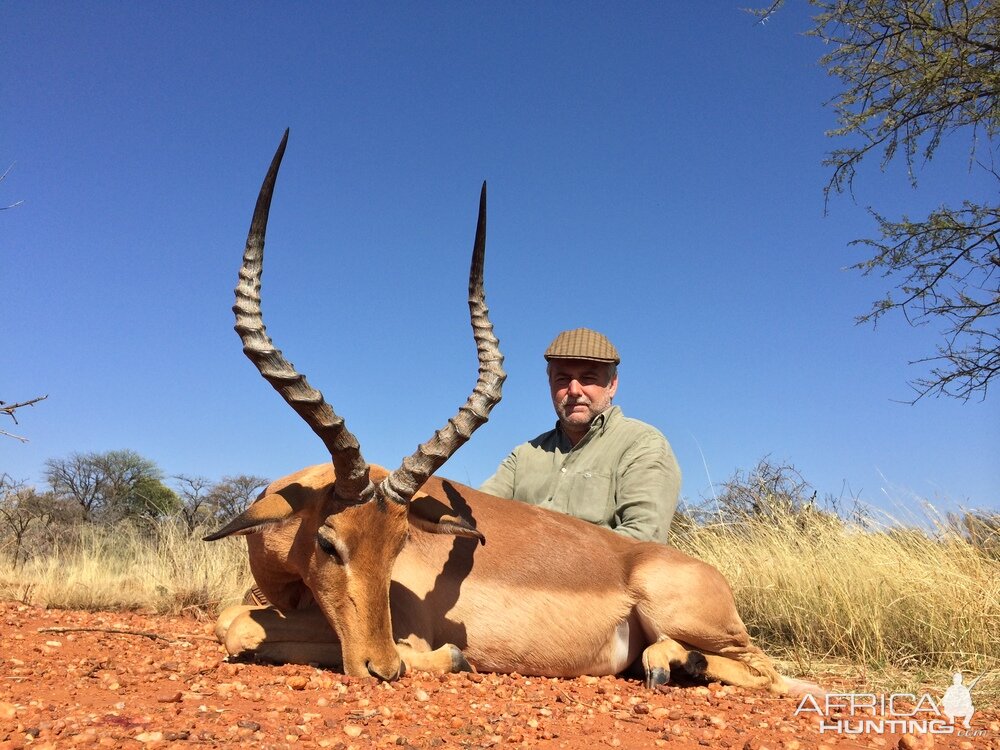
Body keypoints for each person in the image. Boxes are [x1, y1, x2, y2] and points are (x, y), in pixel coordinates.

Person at [480, 327, 680, 542]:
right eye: (563, 379)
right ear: (550, 385)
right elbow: (478, 512)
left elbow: (644, 539)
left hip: (599, 575)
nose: (574, 390)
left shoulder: (643, 444)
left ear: (612, 385)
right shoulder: (523, 455)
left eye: (587, 378)